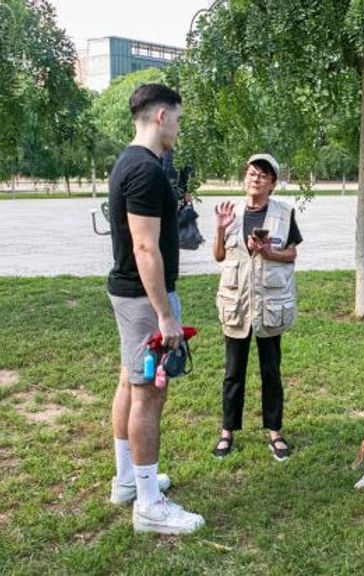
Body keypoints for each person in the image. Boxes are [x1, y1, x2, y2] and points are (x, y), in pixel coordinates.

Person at [106, 83, 204, 534]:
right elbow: (146, 248)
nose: (180, 129)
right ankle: (148, 504)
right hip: (145, 297)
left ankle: (129, 480)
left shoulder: (132, 162)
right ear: (161, 116)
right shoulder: (144, 169)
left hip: (130, 293)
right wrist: (166, 314)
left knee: (130, 379)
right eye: (179, 119)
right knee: (148, 392)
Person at [211, 153, 303, 462]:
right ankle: (227, 432)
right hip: (237, 303)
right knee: (233, 372)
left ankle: (275, 432)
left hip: (268, 305)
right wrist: (221, 229)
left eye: (263, 175)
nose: (255, 178)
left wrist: (268, 252)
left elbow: (291, 255)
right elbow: (219, 256)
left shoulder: (284, 214)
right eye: (251, 173)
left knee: (270, 371)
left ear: (273, 184)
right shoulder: (231, 212)